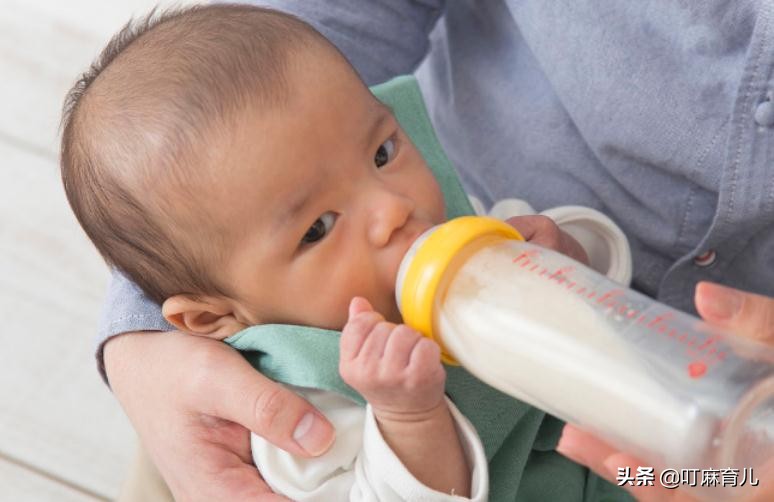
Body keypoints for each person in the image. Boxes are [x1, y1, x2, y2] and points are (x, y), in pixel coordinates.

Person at [88, 0, 774, 500]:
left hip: (679, 457)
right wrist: (408, 418)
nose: (393, 209)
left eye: (384, 151)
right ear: (213, 319)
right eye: (319, 229)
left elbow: (605, 307)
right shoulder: (294, 410)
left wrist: (573, 257)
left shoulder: (475, 237)